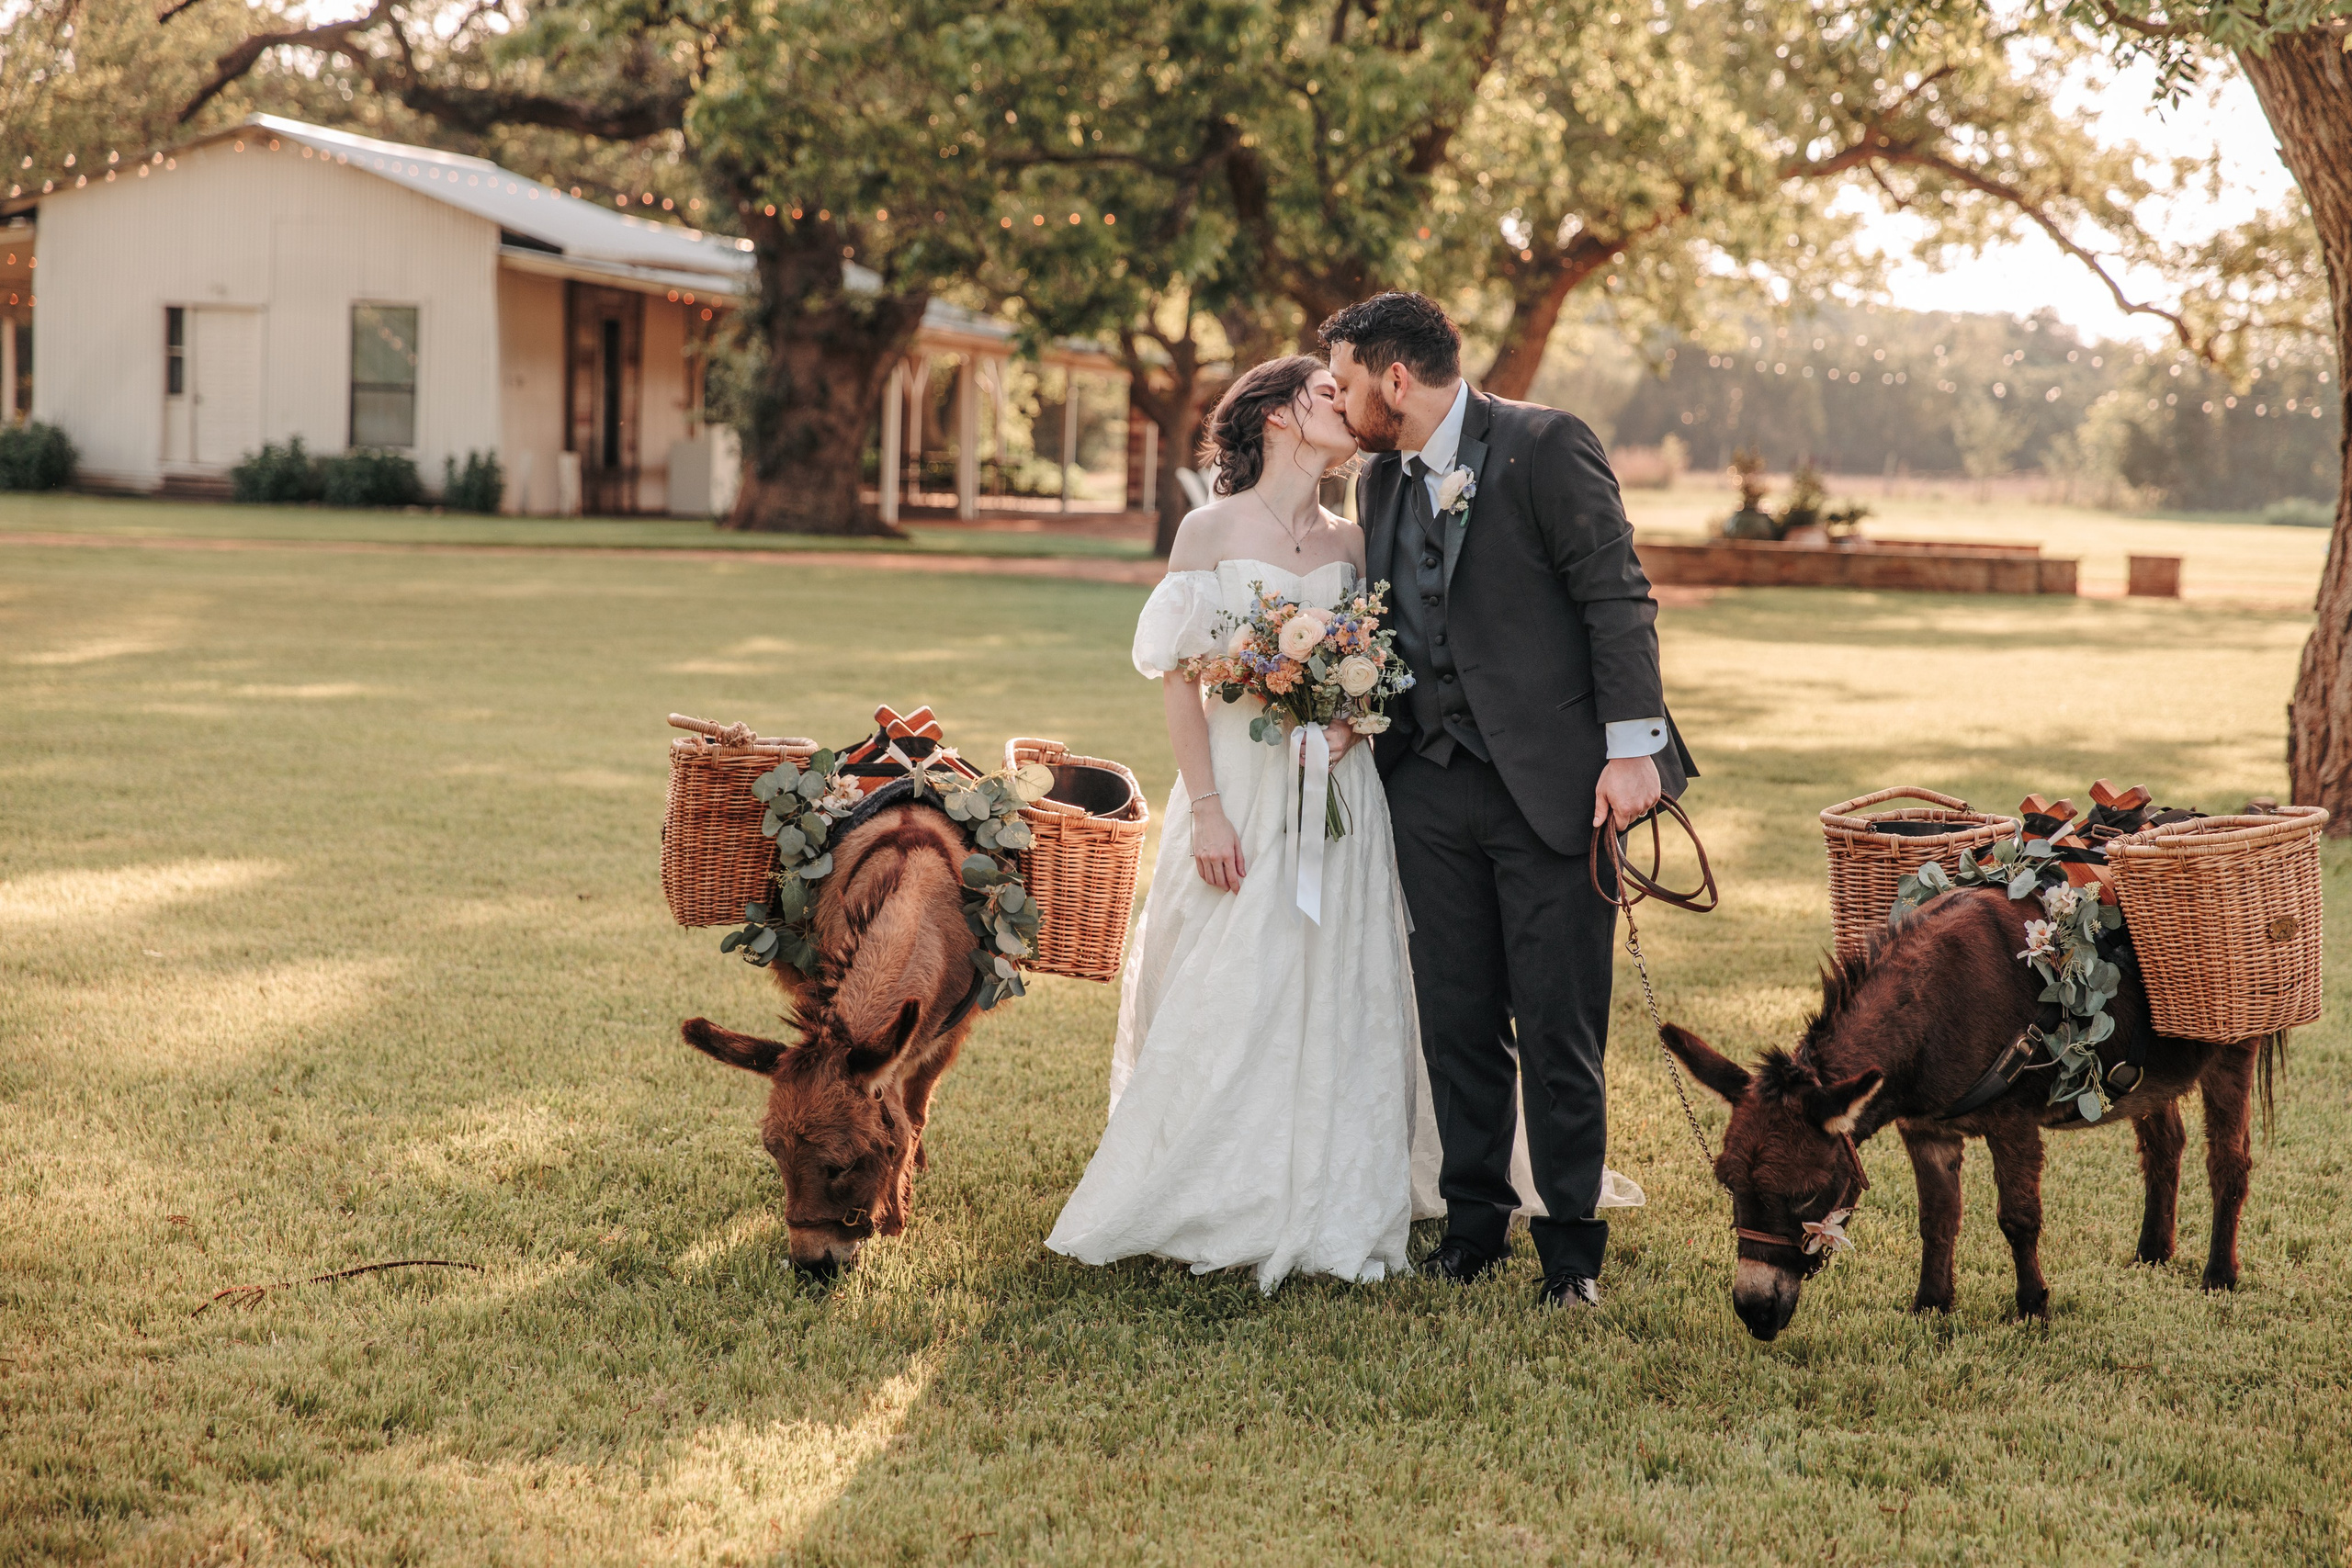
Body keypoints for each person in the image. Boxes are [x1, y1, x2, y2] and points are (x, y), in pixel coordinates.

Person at [1320, 291, 1695, 1309]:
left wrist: (1630, 755)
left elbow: (1615, 596)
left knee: (1558, 1023)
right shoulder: (1383, 481)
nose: (1341, 404)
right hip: (1429, 788)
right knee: (1457, 1017)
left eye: (1348, 384)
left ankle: (1569, 1251)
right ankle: (1473, 1227)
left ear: (1395, 378)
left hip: (1556, 790)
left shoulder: (1545, 444)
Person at [1045, 355, 1426, 1292]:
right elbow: (1182, 684)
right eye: (1329, 395)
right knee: (1230, 975)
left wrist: (1347, 716)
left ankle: (1333, 1183)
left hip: (1340, 796)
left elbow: (1380, 657)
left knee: (1340, 973)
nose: (1349, 407)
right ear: (1276, 417)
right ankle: (1211, 1185)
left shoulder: (1353, 541)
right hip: (1238, 791)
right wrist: (1207, 813)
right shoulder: (1208, 529)